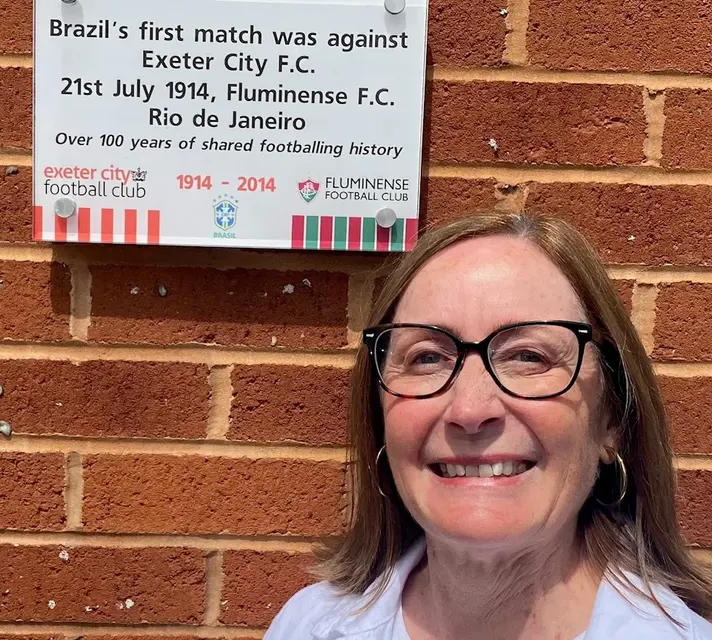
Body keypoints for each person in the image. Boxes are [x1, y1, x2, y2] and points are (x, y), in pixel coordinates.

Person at [265, 212, 712, 640]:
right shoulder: (306, 627)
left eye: (528, 356)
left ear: (611, 420)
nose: (470, 409)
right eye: (427, 358)